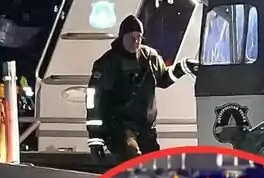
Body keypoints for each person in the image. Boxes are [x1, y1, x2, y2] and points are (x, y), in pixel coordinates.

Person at [85, 14, 198, 163]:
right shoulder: (107, 63)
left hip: (146, 128)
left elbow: (164, 79)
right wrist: (95, 138)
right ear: (122, 37)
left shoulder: (150, 57)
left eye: (139, 37)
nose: (136, 41)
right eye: (131, 37)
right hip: (120, 127)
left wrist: (183, 67)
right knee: (133, 158)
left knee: (153, 165)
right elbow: (94, 100)